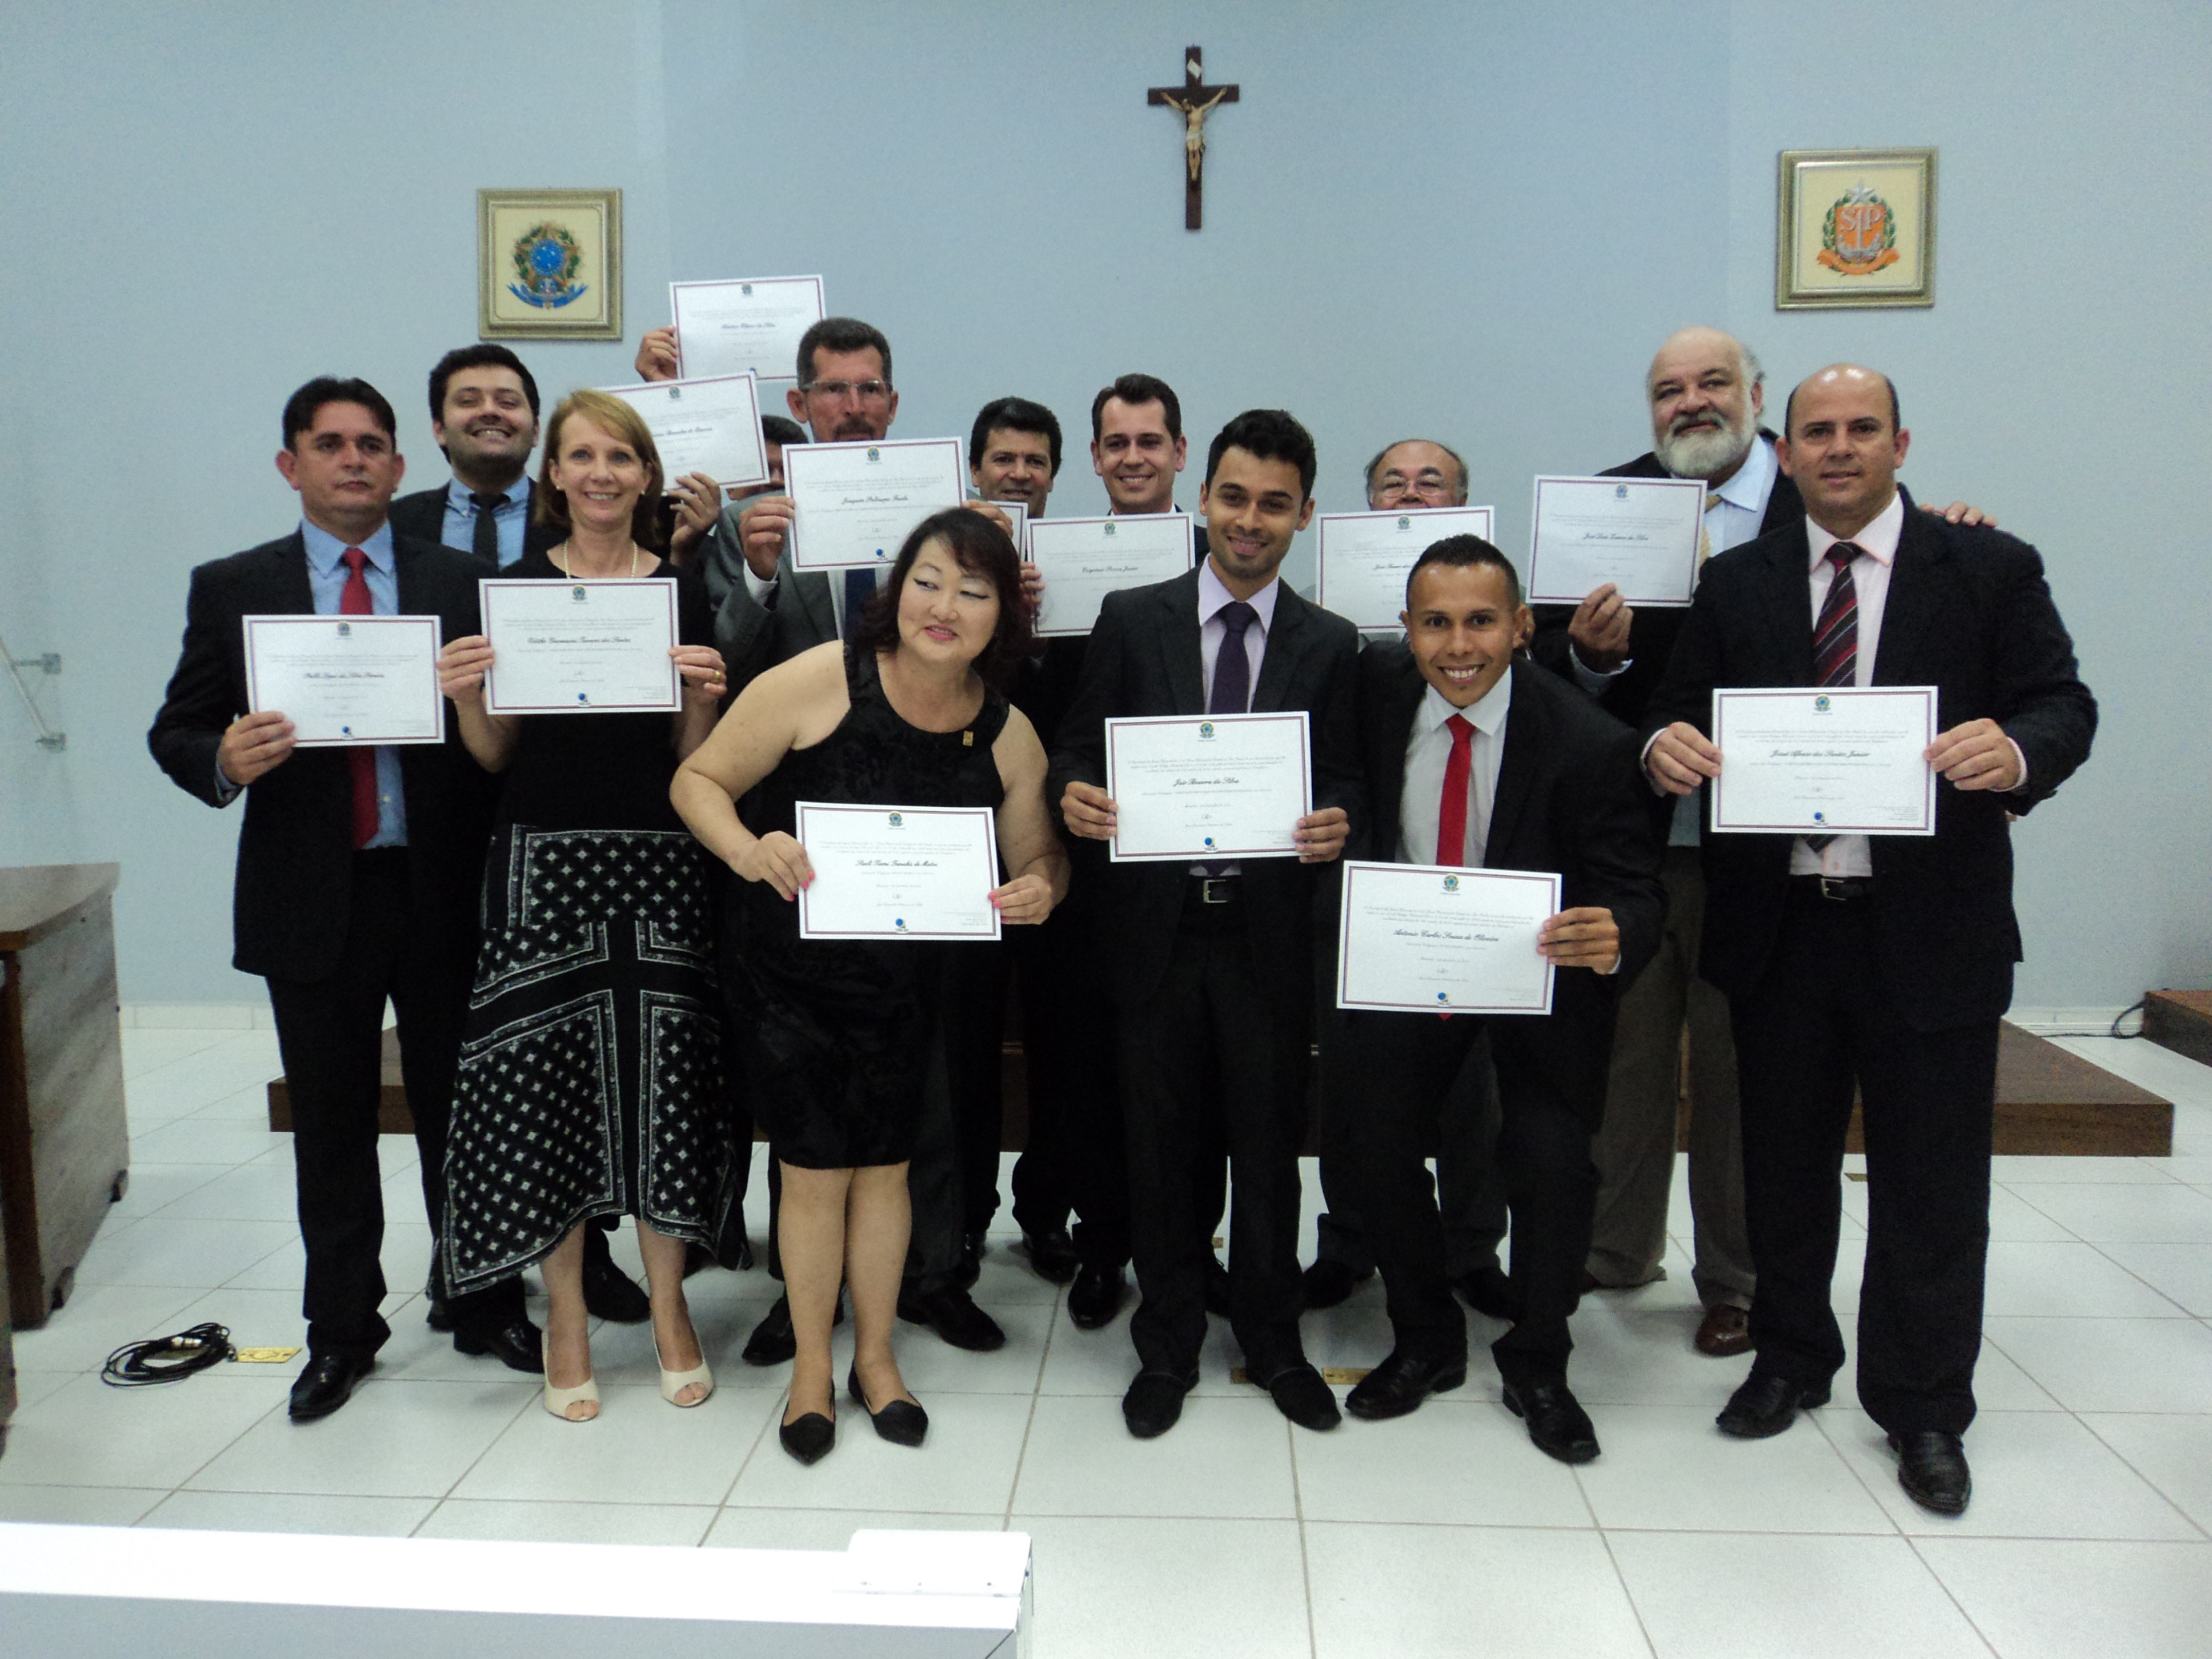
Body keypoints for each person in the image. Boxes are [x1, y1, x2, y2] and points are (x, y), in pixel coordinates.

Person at [1643, 363, 2095, 1515]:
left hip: (1931, 932)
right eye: (1816, 432)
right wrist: (1662, 747)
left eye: (1861, 429)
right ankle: (1791, 1357)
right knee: (1783, 1170)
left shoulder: (1988, 568)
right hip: (1781, 928)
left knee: (1931, 1185)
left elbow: (2062, 703)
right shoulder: (1735, 582)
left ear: (1901, 443)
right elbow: (1677, 707)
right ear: (1784, 451)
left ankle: (1924, 1406)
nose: (1838, 448)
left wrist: (2019, 752)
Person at [148, 377, 535, 1420]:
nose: (353, 460)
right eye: (330, 444)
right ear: (292, 466)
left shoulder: (462, 581)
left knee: (467, 1115)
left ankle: (484, 1298)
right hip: (312, 897)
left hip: (443, 889)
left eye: (372, 445)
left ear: (401, 466)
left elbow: (507, 733)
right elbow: (176, 729)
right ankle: (342, 1332)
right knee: (331, 1126)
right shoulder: (235, 586)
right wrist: (222, 758)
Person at [645, 316, 1015, 1361]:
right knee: (807, 1091)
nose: (853, 406)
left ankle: (933, 1273)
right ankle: (800, 1297)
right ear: (801, 404)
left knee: (931, 1077)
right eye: (833, 390)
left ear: (893, 402)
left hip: (929, 856)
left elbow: (992, 673)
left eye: (870, 388)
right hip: (808, 859)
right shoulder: (754, 525)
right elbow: (717, 669)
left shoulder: (954, 520)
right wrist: (761, 576)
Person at [671, 507, 1068, 1464]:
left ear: (1003, 616)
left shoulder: (1007, 731)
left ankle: (877, 1359)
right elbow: (698, 783)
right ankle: (813, 1368)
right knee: (815, 1173)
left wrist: (1043, 888)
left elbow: (1042, 854)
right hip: (790, 976)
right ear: (898, 590)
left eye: (973, 592)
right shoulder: (825, 677)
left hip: (911, 985)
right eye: (928, 581)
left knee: (889, 1169)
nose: (944, 607)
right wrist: (749, 849)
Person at [1052, 408, 1363, 1438]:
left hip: (1267, 940)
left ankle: (1274, 1343)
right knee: (1160, 1149)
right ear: (1203, 499)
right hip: (1156, 933)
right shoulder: (1131, 619)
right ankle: (1169, 1343)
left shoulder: (1331, 643)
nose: (1250, 520)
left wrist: (1339, 820)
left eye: (1275, 504)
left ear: (1304, 516)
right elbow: (1075, 748)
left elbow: (1349, 777)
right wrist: (1073, 794)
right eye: (1233, 497)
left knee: (1269, 1151)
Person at [435, 389, 738, 1423]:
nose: (602, 472)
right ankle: (565, 1313)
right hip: (542, 864)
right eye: (582, 456)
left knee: (664, 1084)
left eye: (621, 455)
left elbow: (690, 760)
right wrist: (466, 696)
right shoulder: (513, 593)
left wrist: (703, 698)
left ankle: (668, 1305)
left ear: (647, 476)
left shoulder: (680, 594)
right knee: (549, 1085)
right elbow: (494, 756)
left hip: (658, 863)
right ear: (554, 475)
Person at [1331, 538, 1665, 1462]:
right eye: (1435, 623)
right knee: (1376, 1142)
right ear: (1405, 629)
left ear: (1521, 627)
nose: (1458, 645)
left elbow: (1637, 890)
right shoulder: (1374, 692)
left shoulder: (1589, 741)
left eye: (1481, 621)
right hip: (1407, 961)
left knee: (1552, 1163)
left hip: (1538, 978)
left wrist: (1617, 932)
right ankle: (1425, 1339)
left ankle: (1540, 1361)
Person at [1304, 434, 1514, 1324]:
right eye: (1392, 484)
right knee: (1357, 1091)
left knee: (1477, 1095)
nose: (1410, 496)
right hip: (1383, 912)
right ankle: (1351, 1240)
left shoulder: (1510, 655)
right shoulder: (1365, 666)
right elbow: (1340, 771)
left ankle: (1471, 1248)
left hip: (1489, 916)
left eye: (1432, 484)